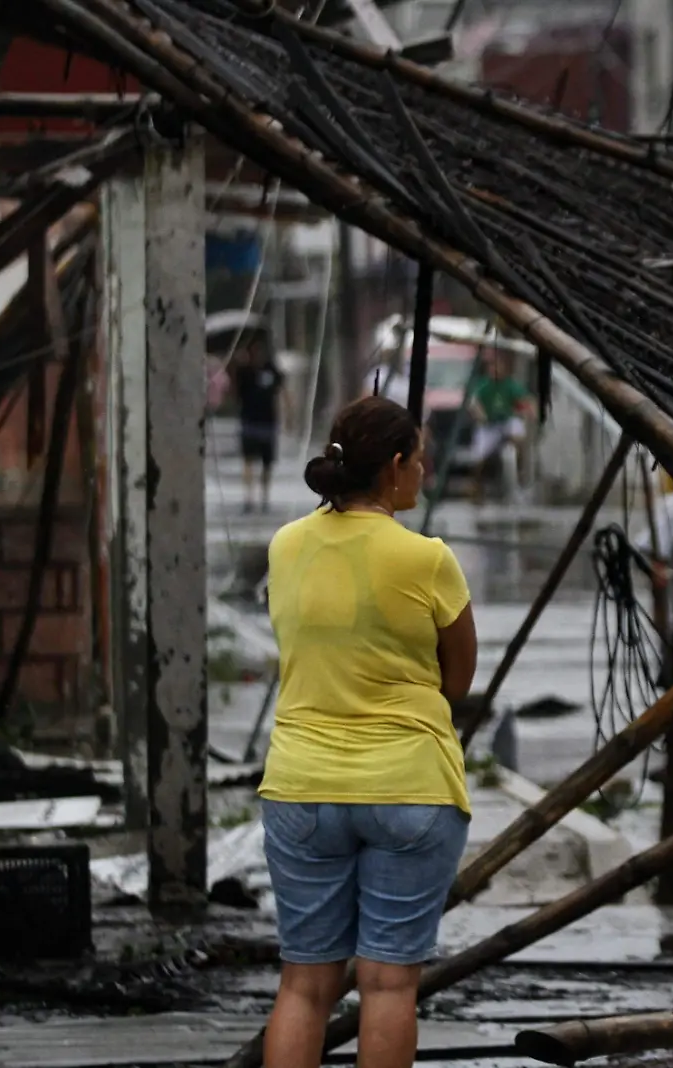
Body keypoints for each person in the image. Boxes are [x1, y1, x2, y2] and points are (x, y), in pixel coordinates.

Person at [260, 396, 478, 1068]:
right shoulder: (428, 559)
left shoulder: (286, 546)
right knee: (387, 984)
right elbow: (458, 679)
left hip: (301, 789)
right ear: (393, 467)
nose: (424, 467)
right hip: (408, 786)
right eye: (418, 456)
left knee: (304, 984)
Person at [466, 350, 534, 501]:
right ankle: (476, 486)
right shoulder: (483, 384)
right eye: (492, 366)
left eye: (497, 366)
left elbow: (525, 400)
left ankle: (521, 474)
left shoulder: (510, 384)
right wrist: (479, 414)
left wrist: (527, 411)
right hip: (488, 425)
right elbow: (473, 403)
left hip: (506, 421)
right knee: (478, 457)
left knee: (519, 436)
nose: (494, 370)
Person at [233, 336, 286, 513]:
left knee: (267, 463)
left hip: (268, 422)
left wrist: (288, 414)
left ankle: (265, 498)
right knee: (248, 461)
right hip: (249, 421)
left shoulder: (271, 369)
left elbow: (281, 390)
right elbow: (235, 392)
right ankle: (249, 498)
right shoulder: (244, 371)